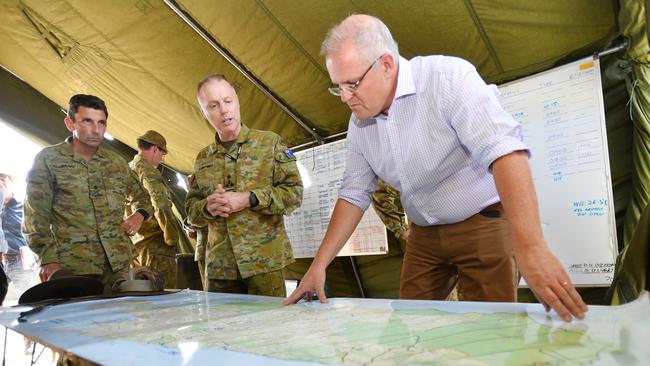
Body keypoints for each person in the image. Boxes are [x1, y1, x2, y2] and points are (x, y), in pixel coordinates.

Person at [284, 14, 587, 322]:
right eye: (338, 87)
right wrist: (318, 266)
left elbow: (505, 152)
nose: (346, 98)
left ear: (386, 64)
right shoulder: (359, 124)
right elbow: (353, 192)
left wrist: (531, 246)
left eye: (352, 84)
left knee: (494, 331)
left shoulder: (447, 79)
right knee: (407, 331)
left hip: (482, 223)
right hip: (424, 236)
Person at [185, 74, 303, 297]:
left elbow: (294, 194)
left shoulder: (269, 144)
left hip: (264, 264)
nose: (224, 110)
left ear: (237, 102)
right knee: (223, 330)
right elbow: (191, 213)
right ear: (204, 113)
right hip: (220, 269)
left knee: (268, 329)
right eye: (214, 105)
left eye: (228, 101)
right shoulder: (203, 158)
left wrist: (250, 198)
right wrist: (207, 208)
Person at [22, 94, 153, 290]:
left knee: (122, 319)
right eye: (87, 121)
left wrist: (139, 215)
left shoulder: (116, 163)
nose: (96, 129)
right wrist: (47, 260)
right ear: (70, 123)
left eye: (101, 123)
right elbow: (35, 217)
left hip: (118, 266)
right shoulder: (49, 160)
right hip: (72, 268)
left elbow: (143, 198)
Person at [127, 130, 180, 288]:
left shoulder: (129, 168)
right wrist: (171, 238)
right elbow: (161, 204)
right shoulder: (148, 170)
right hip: (155, 245)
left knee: (140, 293)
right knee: (163, 294)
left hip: (136, 243)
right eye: (163, 154)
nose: (162, 159)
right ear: (155, 149)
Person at [0, 173, 38, 299]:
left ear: (11, 183)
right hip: (1, 261)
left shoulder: (24, 206)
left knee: (28, 301)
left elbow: (36, 232)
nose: (0, 183)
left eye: (3, 179)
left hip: (21, 262)